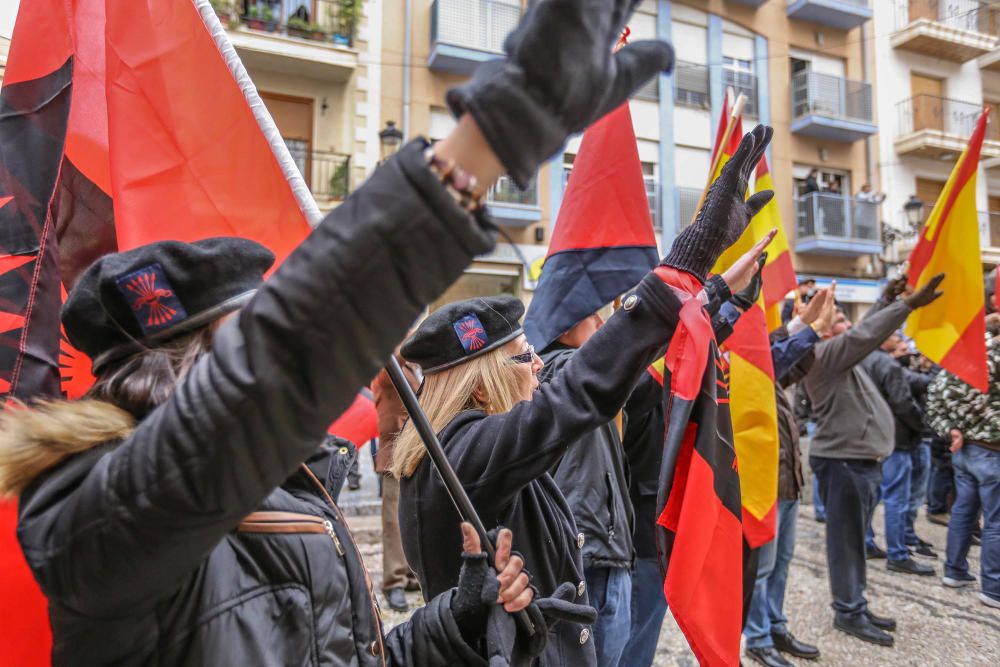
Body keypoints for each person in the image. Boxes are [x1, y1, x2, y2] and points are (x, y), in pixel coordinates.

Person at [0, 0, 674, 661]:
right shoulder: (95, 522)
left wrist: (455, 622)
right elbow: (265, 380)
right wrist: (483, 145)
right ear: (203, 363)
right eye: (254, 325)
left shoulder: (290, 490)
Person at [394, 126, 777, 666]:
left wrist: (711, 292)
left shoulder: (467, 444)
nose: (536, 367)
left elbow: (627, 370)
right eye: (525, 356)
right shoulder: (463, 454)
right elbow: (579, 390)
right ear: (480, 382)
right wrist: (692, 256)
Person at [619, 264, 771, 667]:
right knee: (632, 639)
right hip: (641, 535)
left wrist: (733, 307)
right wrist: (719, 296)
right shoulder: (633, 383)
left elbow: (689, 350)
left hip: (665, 526)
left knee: (643, 635)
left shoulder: (653, 371)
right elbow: (672, 359)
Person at [803, 273, 945, 647]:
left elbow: (864, 331)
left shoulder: (837, 354)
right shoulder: (822, 355)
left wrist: (886, 299)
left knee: (855, 541)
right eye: (839, 322)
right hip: (844, 462)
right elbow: (864, 336)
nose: (848, 326)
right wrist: (907, 305)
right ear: (822, 331)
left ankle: (856, 604)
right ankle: (848, 611)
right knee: (846, 542)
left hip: (856, 462)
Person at [535, 310, 635, 667]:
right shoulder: (563, 368)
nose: (603, 326)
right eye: (596, 316)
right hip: (590, 548)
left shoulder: (574, 371)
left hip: (599, 543)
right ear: (568, 320)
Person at [744, 288, 836, 667]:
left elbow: (793, 361)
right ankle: (758, 637)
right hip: (762, 485)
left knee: (780, 564)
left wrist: (805, 326)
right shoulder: (747, 368)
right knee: (761, 569)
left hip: (788, 483)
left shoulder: (767, 369)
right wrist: (809, 328)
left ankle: (775, 624)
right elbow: (773, 359)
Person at [925, 313, 1000, 610]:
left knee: (963, 513)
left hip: (965, 450)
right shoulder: (990, 360)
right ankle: (993, 588)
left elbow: (934, 398)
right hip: (991, 451)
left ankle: (954, 571)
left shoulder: (960, 360)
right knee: (995, 522)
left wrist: (950, 430)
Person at [861, 332, 935, 576]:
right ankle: (898, 554)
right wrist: (920, 424)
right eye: (894, 334)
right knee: (896, 499)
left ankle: (867, 541)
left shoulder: (864, 358)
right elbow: (903, 403)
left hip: (875, 438)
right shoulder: (886, 364)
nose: (899, 339)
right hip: (897, 439)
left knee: (874, 497)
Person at [372, 353, 423, 612]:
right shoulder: (386, 364)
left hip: (414, 450)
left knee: (413, 515)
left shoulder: (412, 371)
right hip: (394, 451)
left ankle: (412, 574)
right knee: (393, 520)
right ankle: (393, 581)